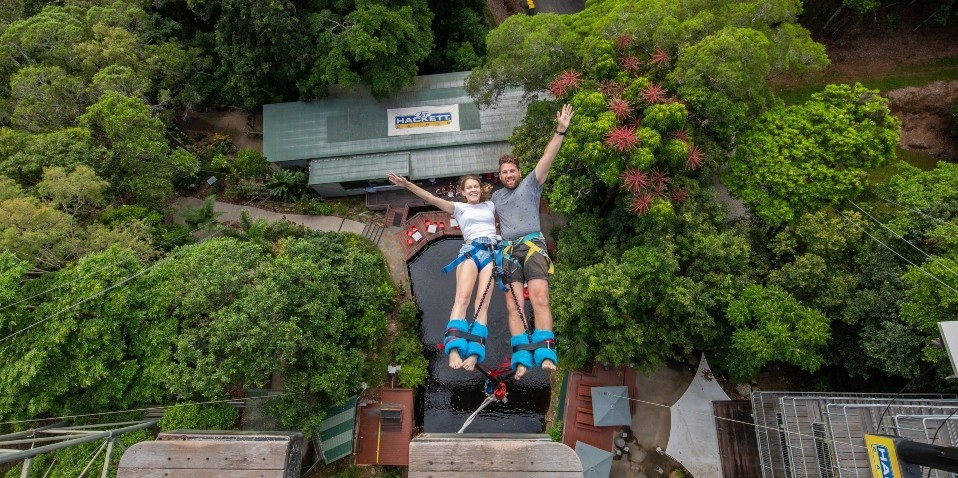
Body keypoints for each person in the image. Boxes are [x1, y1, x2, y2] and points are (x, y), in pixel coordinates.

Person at [492, 103, 573, 379]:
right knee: (512, 305)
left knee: (539, 296)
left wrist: (561, 131)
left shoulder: (531, 183)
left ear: (518, 171)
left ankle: (546, 352)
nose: (509, 175)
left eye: (512, 170)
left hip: (532, 245)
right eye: (504, 172)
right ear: (499, 176)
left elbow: (547, 157)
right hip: (508, 251)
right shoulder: (496, 198)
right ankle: (522, 355)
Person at [387, 172, 497, 372]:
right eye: (469, 187)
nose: (473, 190)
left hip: (490, 254)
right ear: (463, 192)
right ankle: (454, 347)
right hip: (471, 252)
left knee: (483, 303)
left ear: (481, 189)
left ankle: (474, 351)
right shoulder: (459, 208)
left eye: (476, 186)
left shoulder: (491, 205)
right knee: (462, 298)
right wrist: (407, 184)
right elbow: (430, 198)